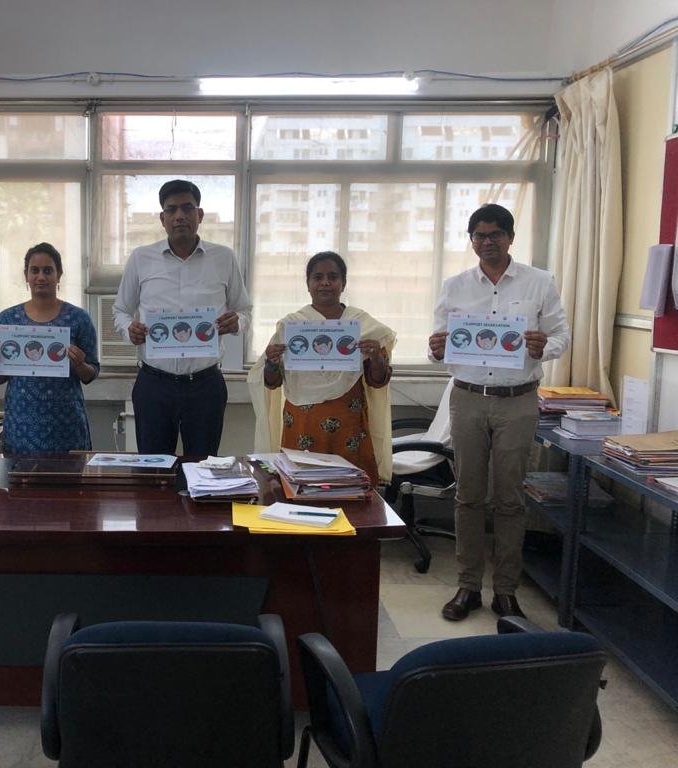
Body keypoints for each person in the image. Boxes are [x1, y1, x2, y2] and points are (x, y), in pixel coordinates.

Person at [428, 204, 570, 621]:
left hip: (518, 400)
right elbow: (437, 345)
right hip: (468, 397)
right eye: (479, 235)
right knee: (468, 496)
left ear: (510, 238)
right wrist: (435, 348)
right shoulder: (455, 286)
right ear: (471, 241)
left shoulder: (540, 281)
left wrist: (545, 346)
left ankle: (506, 591)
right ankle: (468, 586)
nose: (487, 242)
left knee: (510, 498)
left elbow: (561, 334)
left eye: (495, 234)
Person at [112, 179, 252, 455]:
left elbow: (244, 309)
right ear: (162, 218)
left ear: (199, 214)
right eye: (171, 209)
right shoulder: (141, 258)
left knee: (202, 468)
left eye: (187, 208)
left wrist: (237, 322)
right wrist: (129, 329)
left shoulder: (224, 258)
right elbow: (120, 310)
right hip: (154, 384)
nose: (180, 216)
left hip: (205, 385)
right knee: (154, 469)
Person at [249, 252, 395, 485]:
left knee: (348, 491)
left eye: (333, 277)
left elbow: (377, 380)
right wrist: (271, 362)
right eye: (318, 277)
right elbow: (272, 381)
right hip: (302, 423)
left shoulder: (363, 325)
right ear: (308, 285)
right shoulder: (292, 325)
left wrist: (377, 357)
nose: (325, 282)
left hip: (347, 424)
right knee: (301, 487)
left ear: (343, 283)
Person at [0, 243, 99, 453]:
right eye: (34, 270)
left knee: (71, 475)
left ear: (59, 274)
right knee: (19, 475)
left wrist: (80, 364)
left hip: (66, 426)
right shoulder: (8, 319)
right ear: (26, 275)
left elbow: (91, 374)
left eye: (48, 270)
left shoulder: (79, 319)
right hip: (20, 428)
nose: (41, 277)